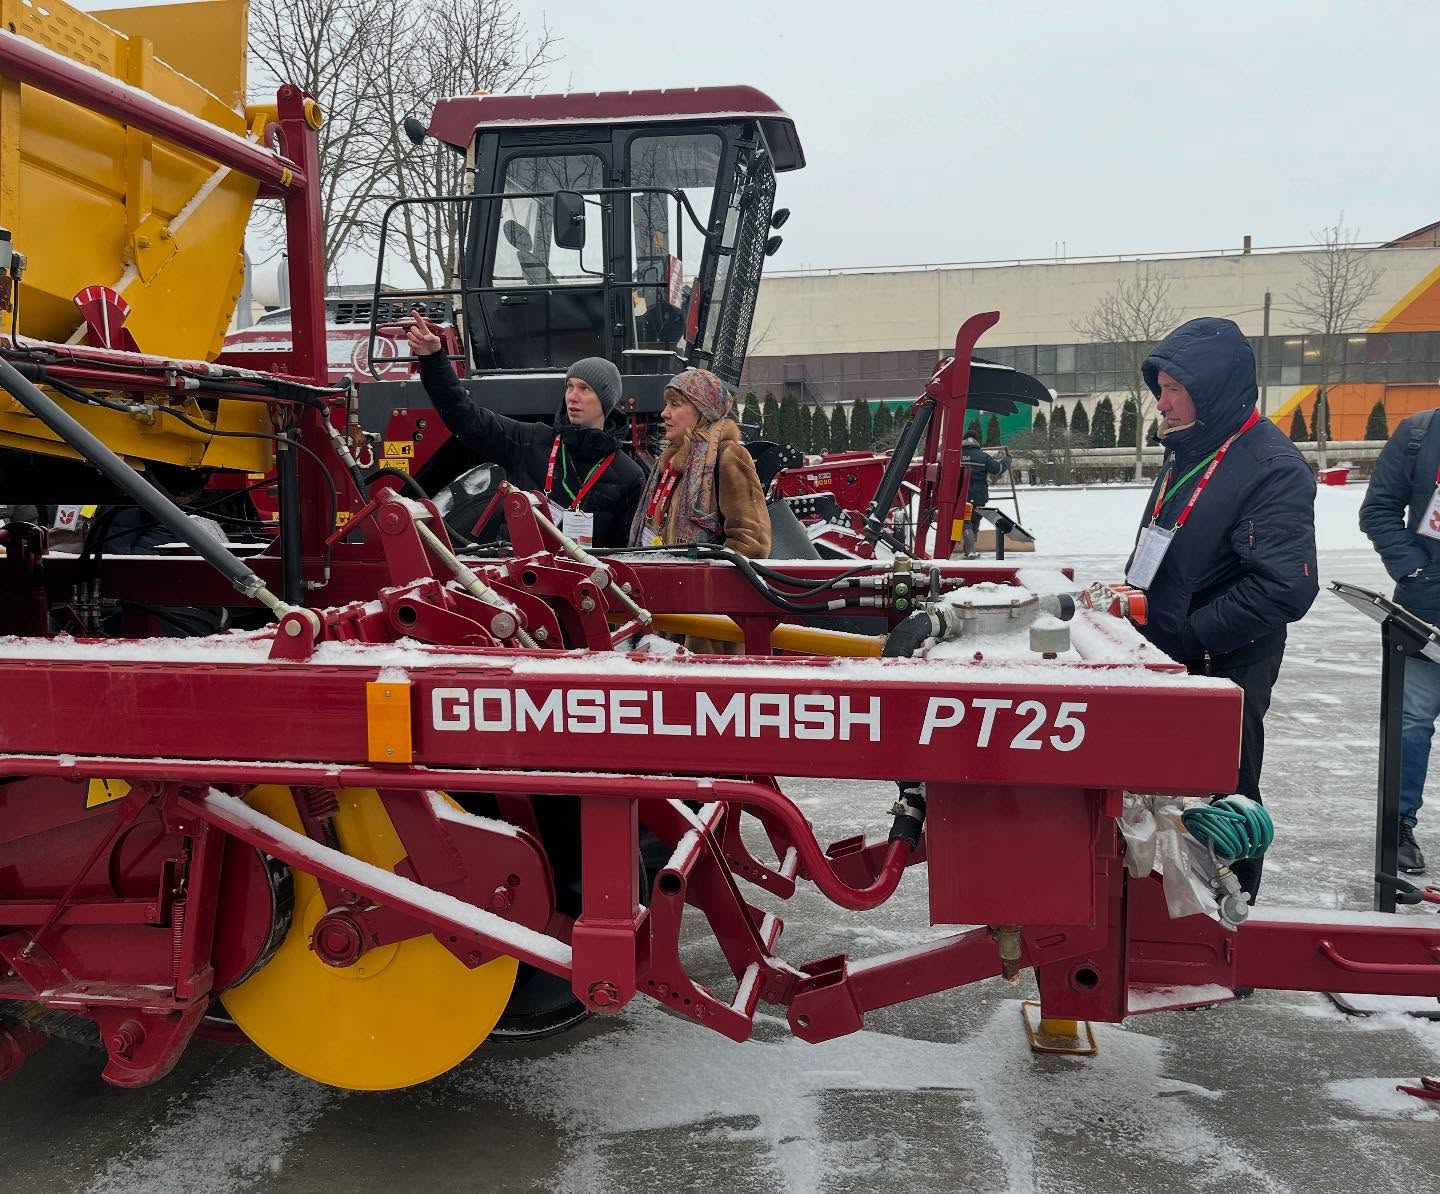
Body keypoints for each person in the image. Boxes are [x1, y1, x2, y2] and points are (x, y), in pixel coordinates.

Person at [1125, 317, 1319, 903]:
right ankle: (1171, 911)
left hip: (1224, 661)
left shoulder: (1269, 467)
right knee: (1163, 788)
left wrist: (1191, 635)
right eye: (1160, 389)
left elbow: (1285, 587)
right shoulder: (1192, 449)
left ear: (1209, 389)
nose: (1162, 402)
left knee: (1225, 790)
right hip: (1168, 651)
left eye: (1173, 389)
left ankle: (1230, 916)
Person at [405, 311, 644, 549]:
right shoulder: (530, 441)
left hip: (579, 583)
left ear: (605, 401)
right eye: (569, 386)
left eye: (584, 389)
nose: (572, 396)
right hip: (518, 581)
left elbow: (622, 554)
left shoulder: (627, 475)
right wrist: (433, 359)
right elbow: (466, 418)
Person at [630, 368, 770, 652]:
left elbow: (753, 543)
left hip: (707, 634)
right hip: (667, 620)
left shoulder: (729, 456)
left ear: (701, 411)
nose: (664, 413)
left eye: (676, 404)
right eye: (666, 404)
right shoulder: (669, 463)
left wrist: (701, 591)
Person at [1358, 409, 1440, 874]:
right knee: (1410, 725)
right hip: (1426, 614)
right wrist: (1417, 571)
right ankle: (1399, 827)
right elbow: (1378, 510)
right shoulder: (1419, 434)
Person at [960, 435, 1009, 558]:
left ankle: (969, 550)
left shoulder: (956, 454)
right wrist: (1007, 460)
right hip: (978, 497)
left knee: (965, 522)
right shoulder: (983, 456)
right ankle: (971, 550)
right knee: (974, 520)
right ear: (977, 442)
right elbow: (997, 469)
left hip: (960, 497)